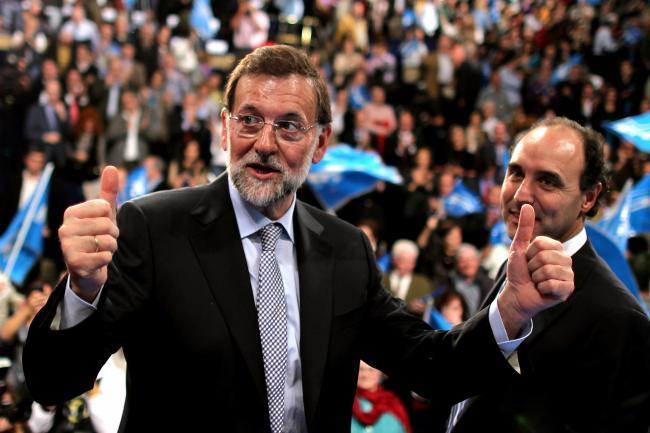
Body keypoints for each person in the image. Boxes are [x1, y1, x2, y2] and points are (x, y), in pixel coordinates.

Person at [23, 45, 574, 433]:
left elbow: (433, 368)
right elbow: (53, 381)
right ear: (224, 128)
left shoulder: (346, 249)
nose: (264, 143)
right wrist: (81, 292)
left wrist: (510, 311)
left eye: (288, 125)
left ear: (320, 142)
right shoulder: (153, 227)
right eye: (249, 120)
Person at [446, 117, 650, 433]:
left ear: (589, 197)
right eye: (516, 173)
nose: (521, 195)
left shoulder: (620, 320)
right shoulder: (510, 267)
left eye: (547, 181)